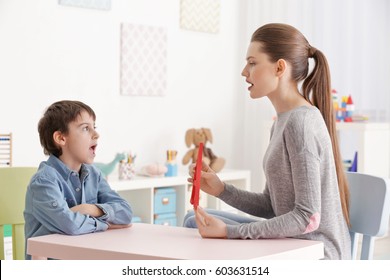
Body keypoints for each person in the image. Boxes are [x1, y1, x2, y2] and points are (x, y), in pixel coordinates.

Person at [184, 23, 351, 260]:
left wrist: (231, 232)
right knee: (193, 221)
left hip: (318, 253)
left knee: (199, 228)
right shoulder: (283, 121)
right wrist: (221, 189)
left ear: (280, 67)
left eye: (252, 62)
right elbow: (271, 207)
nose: (244, 71)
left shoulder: (300, 125)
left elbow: (307, 217)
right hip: (294, 242)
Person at [24, 100, 133, 259]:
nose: (96, 134)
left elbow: (126, 213)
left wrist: (90, 209)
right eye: (85, 128)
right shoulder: (43, 182)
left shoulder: (93, 174)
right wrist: (107, 223)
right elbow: (70, 225)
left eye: (94, 127)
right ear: (61, 138)